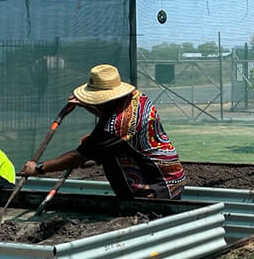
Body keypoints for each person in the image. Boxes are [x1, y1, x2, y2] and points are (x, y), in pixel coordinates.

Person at [22, 64, 185, 199]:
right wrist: (86, 105)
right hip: (173, 177)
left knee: (101, 153)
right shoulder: (137, 98)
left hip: (156, 189)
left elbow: (77, 157)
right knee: (96, 147)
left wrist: (39, 168)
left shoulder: (116, 127)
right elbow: (109, 116)